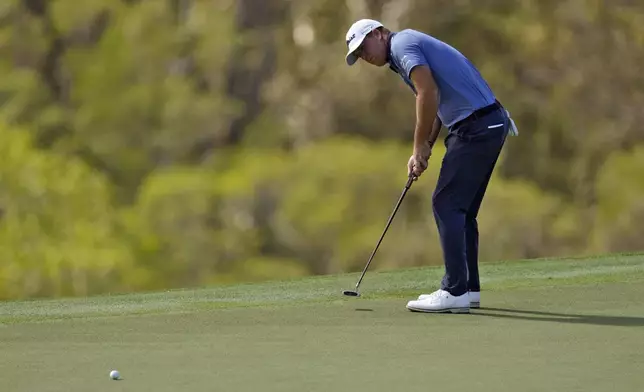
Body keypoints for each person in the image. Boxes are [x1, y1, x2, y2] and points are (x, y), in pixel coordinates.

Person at [344, 19, 518, 313]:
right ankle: (469, 289)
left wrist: (416, 145)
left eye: (364, 47)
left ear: (378, 33)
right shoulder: (401, 57)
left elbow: (428, 93)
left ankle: (454, 290)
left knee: (445, 204)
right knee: (462, 212)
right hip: (488, 123)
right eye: (358, 55)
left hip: (476, 127)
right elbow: (436, 105)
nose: (365, 57)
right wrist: (424, 149)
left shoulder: (401, 45)